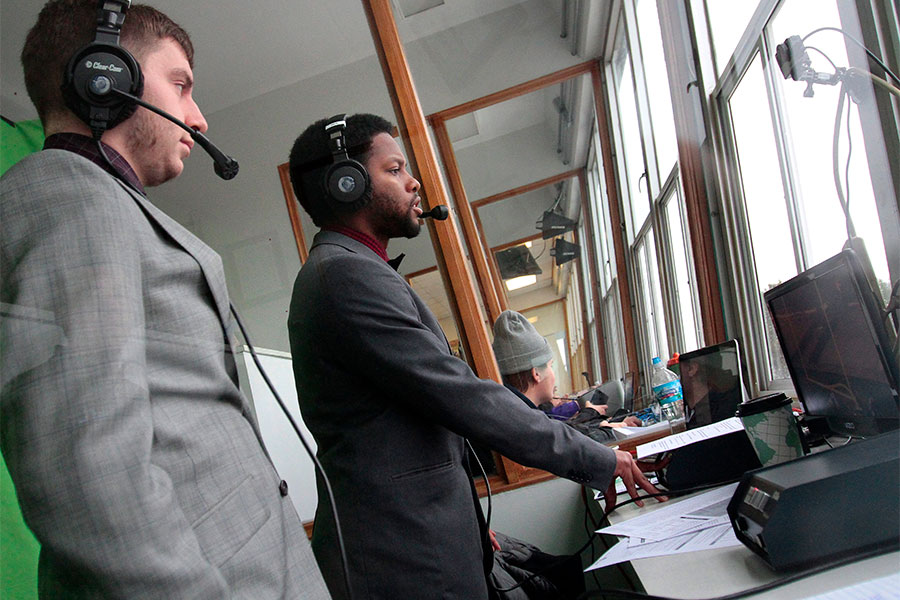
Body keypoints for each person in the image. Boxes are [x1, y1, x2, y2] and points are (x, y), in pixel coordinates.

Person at [0, 2, 330, 598]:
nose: (199, 119)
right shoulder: (63, 194)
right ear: (104, 76)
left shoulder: (105, 203)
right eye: (180, 85)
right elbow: (89, 476)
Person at [287, 113, 664, 600]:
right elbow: (465, 399)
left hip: (418, 540)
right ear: (347, 184)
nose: (413, 181)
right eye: (395, 169)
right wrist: (597, 458)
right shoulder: (346, 278)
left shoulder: (352, 271)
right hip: (406, 559)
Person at [491, 310, 641, 443]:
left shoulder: (516, 413)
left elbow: (563, 433)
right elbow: (566, 444)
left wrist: (605, 427)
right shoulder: (525, 421)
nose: (552, 373)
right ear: (536, 373)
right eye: (550, 365)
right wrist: (612, 429)